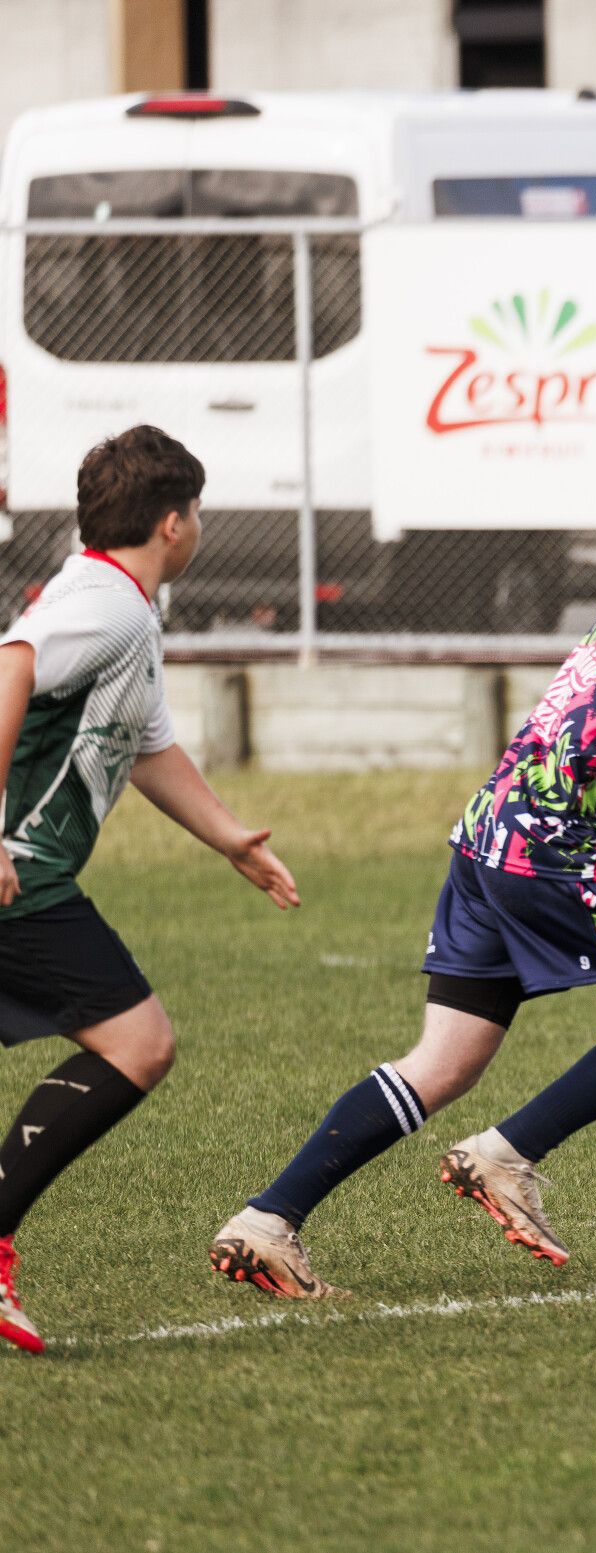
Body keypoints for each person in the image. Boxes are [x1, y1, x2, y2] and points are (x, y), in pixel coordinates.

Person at [209, 452, 596, 1299]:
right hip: (552, 848)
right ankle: (505, 1153)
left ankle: (266, 1220)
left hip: (492, 829)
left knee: (446, 1060)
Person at [0, 427, 300, 1354]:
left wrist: (228, 838)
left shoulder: (111, 601)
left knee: (136, 1041)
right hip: (21, 875)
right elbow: (11, 662)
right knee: (140, 1041)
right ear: (173, 523)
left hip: (26, 873)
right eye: (197, 512)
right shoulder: (108, 608)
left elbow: (146, 746)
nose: (199, 527)